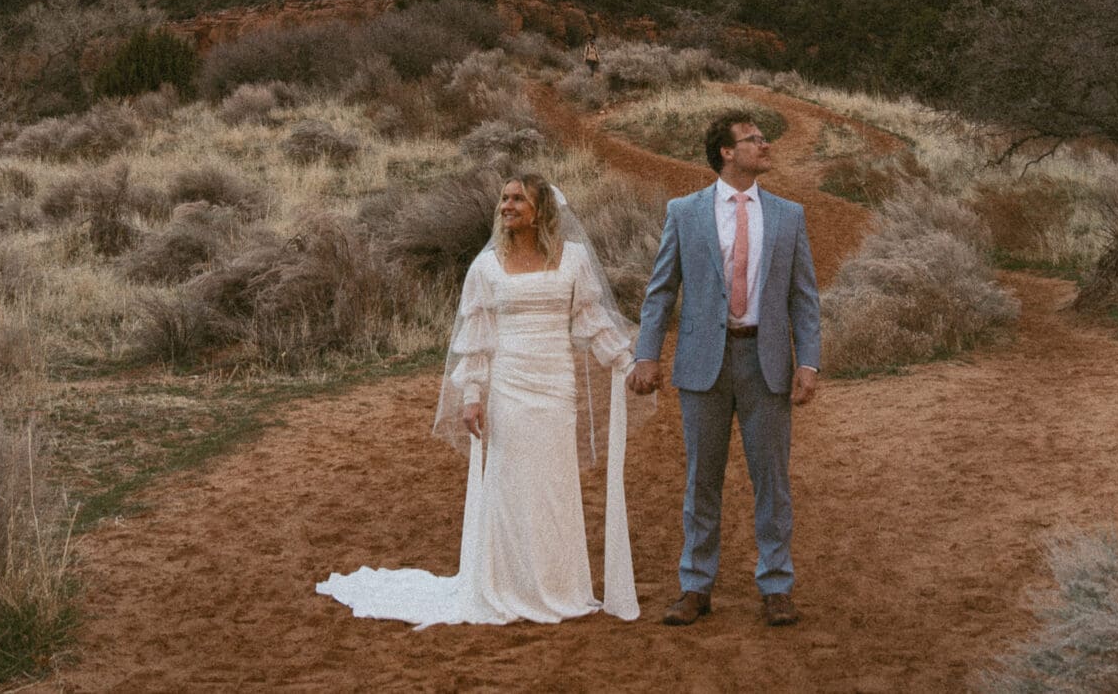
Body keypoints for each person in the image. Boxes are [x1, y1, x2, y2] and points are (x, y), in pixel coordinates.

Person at [317, 174, 646, 625]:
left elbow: (593, 321)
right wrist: (472, 396)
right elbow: (476, 339)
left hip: (555, 386)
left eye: (518, 199)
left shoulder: (573, 260)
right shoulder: (486, 268)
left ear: (541, 211)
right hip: (509, 387)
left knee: (553, 485)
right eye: (504, 198)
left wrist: (627, 364)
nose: (507, 205)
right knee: (510, 483)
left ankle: (558, 585)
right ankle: (508, 584)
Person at [628, 113, 822, 627]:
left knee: (772, 481)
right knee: (701, 480)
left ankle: (776, 586)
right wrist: (646, 354)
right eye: (753, 139)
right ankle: (695, 586)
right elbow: (661, 289)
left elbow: (804, 297)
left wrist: (809, 361)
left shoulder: (788, 215)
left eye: (763, 137)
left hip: (768, 362)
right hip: (702, 364)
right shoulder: (684, 212)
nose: (765, 144)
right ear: (726, 153)